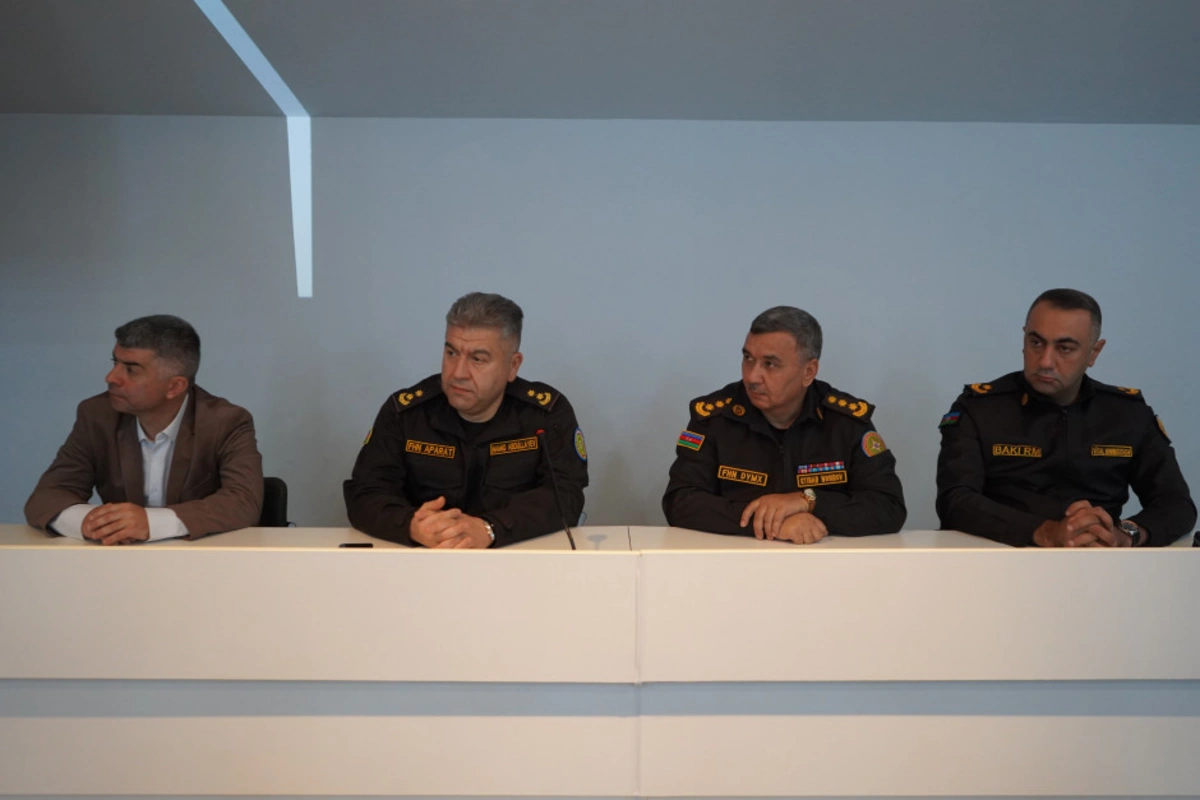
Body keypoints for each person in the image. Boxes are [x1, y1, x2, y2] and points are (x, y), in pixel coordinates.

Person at [936, 288, 1195, 547]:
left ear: (1094, 352)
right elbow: (955, 501)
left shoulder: (1128, 414)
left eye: (1065, 348)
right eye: (1036, 343)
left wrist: (1125, 534)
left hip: (1100, 560)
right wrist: (1044, 532)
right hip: (1001, 556)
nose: (1045, 361)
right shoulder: (980, 408)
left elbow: (1176, 504)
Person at [344, 292, 588, 548]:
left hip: (516, 558)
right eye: (451, 353)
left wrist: (490, 528)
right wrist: (411, 525)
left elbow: (565, 496)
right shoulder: (406, 414)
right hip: (424, 558)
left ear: (513, 366)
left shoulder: (545, 415)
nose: (458, 373)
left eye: (477, 359)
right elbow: (365, 493)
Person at [662, 306, 906, 544]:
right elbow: (680, 501)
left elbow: (889, 507)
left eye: (770, 364)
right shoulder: (714, 418)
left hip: (825, 564)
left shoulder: (845, 422)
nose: (752, 377)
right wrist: (771, 523)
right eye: (748, 358)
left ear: (808, 372)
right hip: (736, 563)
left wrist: (808, 501)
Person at [25, 315, 264, 544]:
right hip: (120, 559)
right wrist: (91, 522)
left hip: (201, 559)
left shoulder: (225, 421)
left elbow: (243, 502)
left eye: (131, 370)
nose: (111, 377)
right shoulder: (97, 415)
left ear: (174, 387)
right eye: (115, 363)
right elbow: (47, 496)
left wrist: (150, 524)